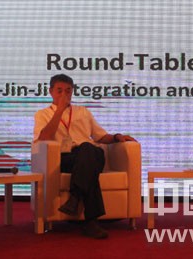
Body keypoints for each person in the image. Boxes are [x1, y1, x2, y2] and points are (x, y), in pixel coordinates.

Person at [33, 74, 136, 239]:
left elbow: (100, 136)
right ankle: (90, 221)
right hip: (65, 159)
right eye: (59, 91)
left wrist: (117, 136)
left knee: (88, 148)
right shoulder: (42, 114)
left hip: (90, 154)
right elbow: (44, 138)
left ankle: (75, 198)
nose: (64, 94)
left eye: (68, 91)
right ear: (50, 91)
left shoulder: (83, 112)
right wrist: (59, 110)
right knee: (89, 169)